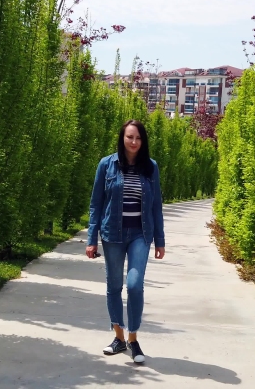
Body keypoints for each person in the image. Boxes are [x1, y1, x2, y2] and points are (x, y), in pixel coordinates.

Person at [85, 120, 165, 364]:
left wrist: (160, 240)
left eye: (138, 138)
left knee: (134, 285)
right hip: (112, 234)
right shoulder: (106, 165)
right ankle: (118, 337)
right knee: (114, 286)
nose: (134, 142)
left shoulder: (150, 168)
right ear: (122, 138)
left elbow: (156, 206)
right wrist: (91, 239)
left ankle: (133, 339)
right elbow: (96, 204)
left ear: (143, 141)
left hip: (140, 234)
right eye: (130, 137)